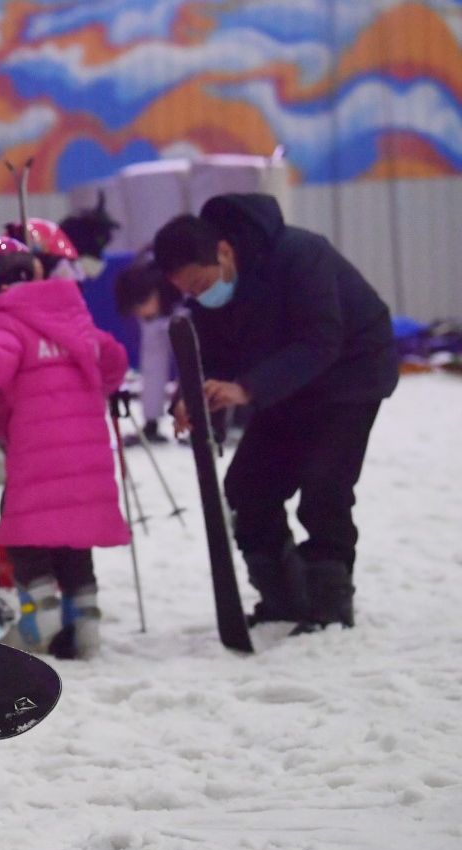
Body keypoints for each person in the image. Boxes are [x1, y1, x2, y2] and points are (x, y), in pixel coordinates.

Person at [151, 193, 398, 633]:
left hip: (350, 376)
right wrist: (190, 396)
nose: (199, 297)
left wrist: (246, 388)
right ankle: (283, 597)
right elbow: (211, 357)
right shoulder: (210, 296)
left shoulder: (300, 255)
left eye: (201, 285)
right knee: (248, 486)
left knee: (325, 484)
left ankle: (328, 604)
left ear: (224, 251)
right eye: (187, 292)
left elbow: (322, 340)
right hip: (282, 388)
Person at [0, 239, 130, 659]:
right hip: (89, 455)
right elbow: (114, 358)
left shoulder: (8, 319)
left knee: (26, 538)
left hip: (37, 455)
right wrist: (90, 393)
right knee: (74, 537)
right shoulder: (72, 314)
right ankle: (86, 624)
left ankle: (39, 620)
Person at [113, 253, 182, 444]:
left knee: (196, 365)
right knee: (152, 368)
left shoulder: (183, 289)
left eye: (140, 307)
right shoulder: (138, 284)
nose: (139, 314)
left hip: (182, 310)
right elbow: (153, 372)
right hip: (161, 313)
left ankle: (201, 423)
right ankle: (151, 423)